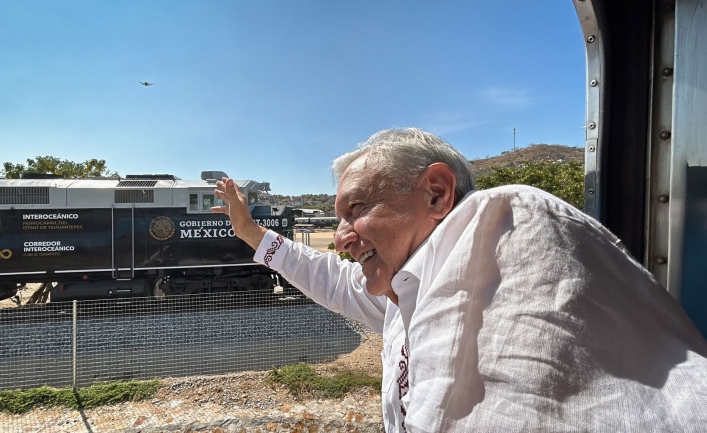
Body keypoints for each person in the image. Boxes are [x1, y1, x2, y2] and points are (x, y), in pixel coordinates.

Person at [213, 128, 707, 432]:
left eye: (357, 209)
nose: (341, 239)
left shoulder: (508, 227)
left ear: (436, 193)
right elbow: (334, 281)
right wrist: (251, 233)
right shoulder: (407, 292)